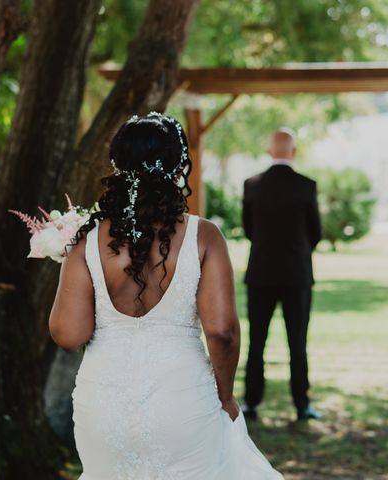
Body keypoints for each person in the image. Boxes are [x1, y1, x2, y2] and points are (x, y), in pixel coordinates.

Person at [48, 112, 282, 479]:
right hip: (183, 398)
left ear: (117, 165)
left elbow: (68, 333)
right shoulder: (203, 237)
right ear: (178, 166)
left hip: (104, 404)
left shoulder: (87, 242)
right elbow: (222, 331)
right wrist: (224, 396)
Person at [241, 127, 323, 422]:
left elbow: (249, 230)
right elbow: (316, 233)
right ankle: (301, 404)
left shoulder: (252, 185)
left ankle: (251, 402)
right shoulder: (306, 186)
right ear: (294, 152)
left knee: (256, 341)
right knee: (297, 342)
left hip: (260, 273)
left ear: (269, 151)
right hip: (296, 276)